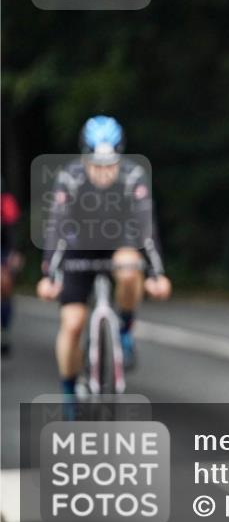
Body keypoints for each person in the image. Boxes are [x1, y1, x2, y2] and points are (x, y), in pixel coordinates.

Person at [36, 116, 171, 402]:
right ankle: (69, 392)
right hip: (78, 249)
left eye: (109, 165)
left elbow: (146, 228)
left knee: (129, 266)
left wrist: (157, 274)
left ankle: (125, 327)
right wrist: (49, 274)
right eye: (96, 165)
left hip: (117, 244)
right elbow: (56, 227)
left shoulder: (133, 178)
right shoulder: (69, 178)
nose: (103, 173)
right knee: (72, 323)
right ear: (84, 159)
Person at [1, 178, 23, 356]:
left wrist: (14, 254)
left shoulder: (6, 201)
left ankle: (4, 330)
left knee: (4, 284)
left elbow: (13, 230)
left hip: (4, 248)